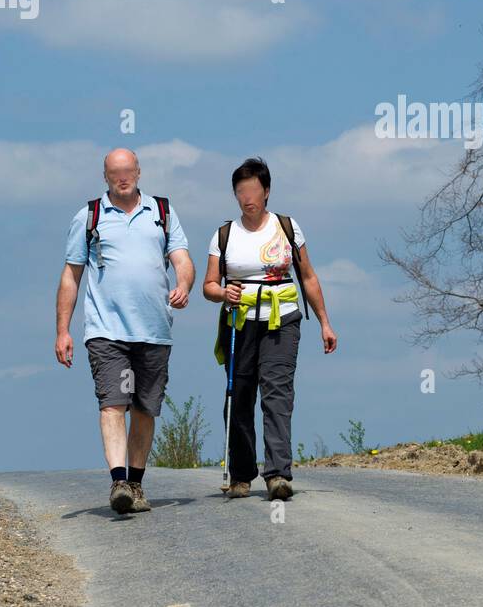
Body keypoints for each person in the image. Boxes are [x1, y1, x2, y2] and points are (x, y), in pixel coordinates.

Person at [55, 148, 194, 515]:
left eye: (128, 171)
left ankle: (136, 483)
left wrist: (183, 284)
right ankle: (118, 481)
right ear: (105, 176)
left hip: (154, 331)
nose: (122, 178)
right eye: (115, 173)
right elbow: (72, 276)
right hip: (106, 330)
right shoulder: (89, 216)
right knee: (113, 403)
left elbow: (182, 259)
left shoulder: (162, 212)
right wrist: (63, 330)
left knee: (145, 410)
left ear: (138, 172)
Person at [203, 157, 336, 501]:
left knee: (277, 393)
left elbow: (308, 276)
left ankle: (278, 473)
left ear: (266, 192)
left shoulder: (288, 227)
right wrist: (223, 292)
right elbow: (209, 286)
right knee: (240, 395)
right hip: (240, 322)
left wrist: (324, 322)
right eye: (240, 191)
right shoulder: (224, 236)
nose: (247, 197)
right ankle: (242, 473)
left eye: (253, 190)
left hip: (284, 320)